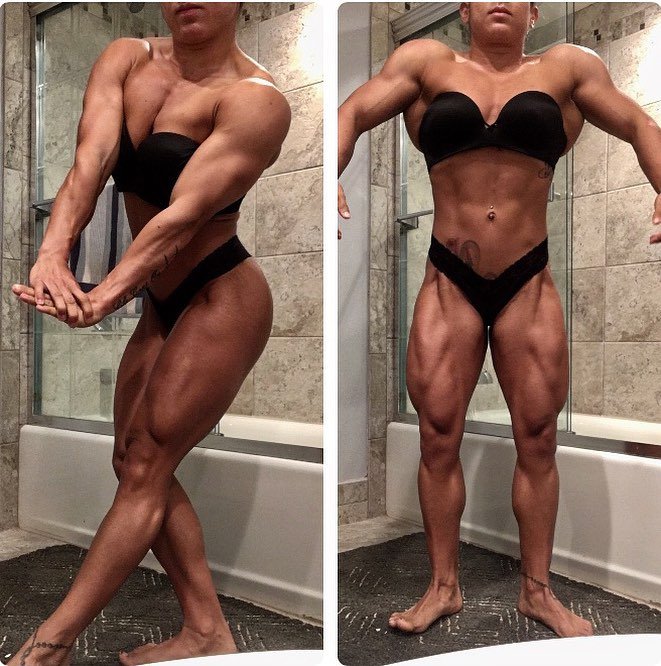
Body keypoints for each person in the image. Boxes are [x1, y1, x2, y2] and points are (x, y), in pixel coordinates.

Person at [338, 1, 661, 639]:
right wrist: (335, 170)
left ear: (534, 11)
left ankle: (537, 593)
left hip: (527, 280)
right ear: (463, 9)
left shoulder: (568, 67)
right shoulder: (424, 61)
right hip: (448, 279)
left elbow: (639, 123)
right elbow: (351, 111)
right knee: (437, 436)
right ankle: (443, 587)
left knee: (538, 438)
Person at [9, 3, 290, 664]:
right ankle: (206, 631)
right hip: (161, 301)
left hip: (222, 293)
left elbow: (181, 218)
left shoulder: (257, 100)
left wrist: (104, 295)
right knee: (132, 460)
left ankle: (49, 645)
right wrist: (53, 253)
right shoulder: (126, 59)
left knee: (144, 465)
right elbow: (89, 162)